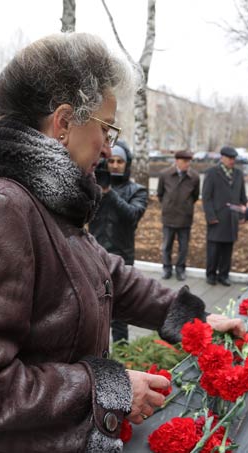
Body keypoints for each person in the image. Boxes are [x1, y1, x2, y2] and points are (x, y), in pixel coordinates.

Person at [0, 33, 245, 453]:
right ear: (63, 123)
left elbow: (101, 273)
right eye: (106, 127)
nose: (110, 147)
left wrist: (190, 320)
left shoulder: (41, 194)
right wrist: (107, 388)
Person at [89, 139, 148, 343]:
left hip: (122, 256)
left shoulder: (137, 191)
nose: (114, 165)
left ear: (127, 164)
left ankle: (122, 351)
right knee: (95, 309)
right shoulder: (94, 185)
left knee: (119, 311)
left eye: (119, 161)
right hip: (94, 254)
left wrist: (109, 193)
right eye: (111, 160)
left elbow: (132, 216)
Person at [202, 146, 247, 286]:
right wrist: (211, 216)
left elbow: (242, 195)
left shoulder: (238, 174)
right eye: (229, 158)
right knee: (214, 249)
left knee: (228, 249)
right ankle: (211, 274)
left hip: (232, 217)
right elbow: (206, 197)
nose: (232, 161)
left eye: (234, 158)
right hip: (217, 217)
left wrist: (242, 214)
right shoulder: (212, 172)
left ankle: (223, 275)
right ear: (222, 158)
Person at [156, 150, 200, 281]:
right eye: (185, 161)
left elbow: (195, 196)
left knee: (184, 246)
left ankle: (180, 269)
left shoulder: (194, 177)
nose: (188, 164)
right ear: (177, 161)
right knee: (167, 245)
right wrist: (168, 205)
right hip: (169, 216)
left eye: (189, 161)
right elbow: (160, 194)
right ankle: (167, 268)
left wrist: (186, 206)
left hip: (185, 218)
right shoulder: (165, 175)